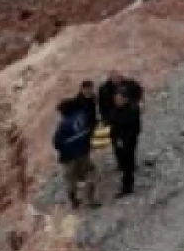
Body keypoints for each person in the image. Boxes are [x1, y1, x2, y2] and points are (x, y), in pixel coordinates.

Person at [53, 81, 100, 209]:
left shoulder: (63, 126)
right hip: (83, 153)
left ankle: (74, 201)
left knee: (71, 180)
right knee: (91, 173)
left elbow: (56, 143)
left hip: (68, 158)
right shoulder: (82, 118)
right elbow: (88, 131)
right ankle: (90, 199)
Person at [100, 71, 146, 197]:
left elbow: (133, 128)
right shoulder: (116, 109)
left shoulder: (132, 110)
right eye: (116, 99)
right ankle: (125, 176)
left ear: (125, 99)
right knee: (123, 159)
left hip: (127, 140)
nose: (116, 101)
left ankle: (127, 186)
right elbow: (113, 122)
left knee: (128, 162)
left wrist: (124, 140)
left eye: (119, 99)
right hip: (118, 139)